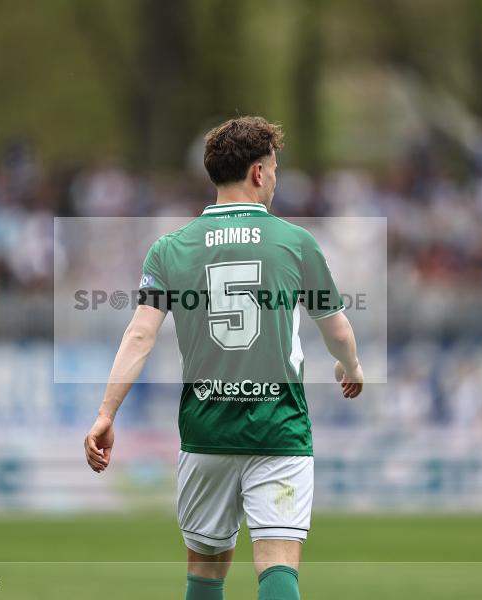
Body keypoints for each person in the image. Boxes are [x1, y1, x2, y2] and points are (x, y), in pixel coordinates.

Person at [84, 116, 363, 600]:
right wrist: (352, 367)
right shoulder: (296, 243)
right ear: (258, 173)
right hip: (279, 426)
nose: (275, 179)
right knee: (277, 566)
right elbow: (336, 329)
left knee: (206, 575)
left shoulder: (170, 249)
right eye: (274, 169)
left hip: (206, 428)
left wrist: (107, 413)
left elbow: (139, 337)